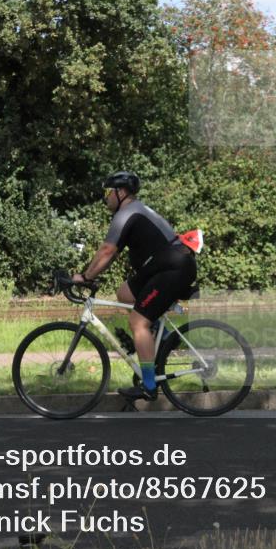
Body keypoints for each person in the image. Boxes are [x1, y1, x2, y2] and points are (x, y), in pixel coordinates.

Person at [72, 171, 197, 401]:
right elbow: (111, 254)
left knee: (138, 321)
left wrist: (85, 276)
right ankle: (164, 338)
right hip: (163, 266)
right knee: (124, 293)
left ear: (120, 192)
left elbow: (107, 251)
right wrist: (90, 274)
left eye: (107, 192)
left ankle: (149, 386)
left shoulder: (126, 214)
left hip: (171, 269)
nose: (105, 197)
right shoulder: (134, 210)